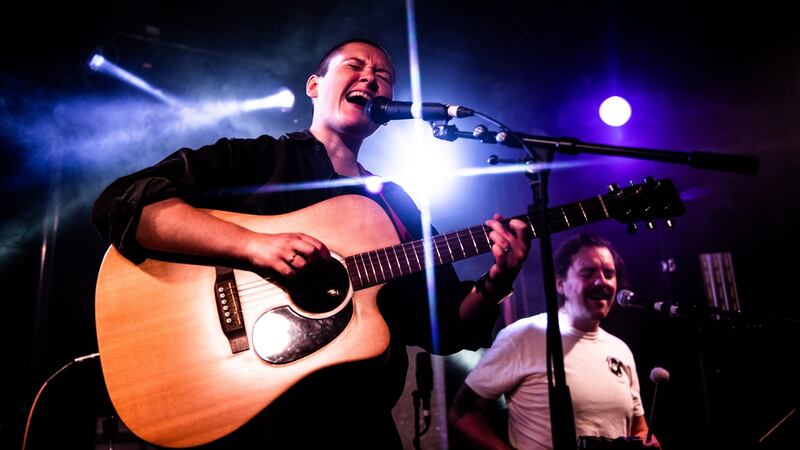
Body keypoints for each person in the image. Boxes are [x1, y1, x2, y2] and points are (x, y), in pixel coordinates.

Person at [92, 38, 532, 448]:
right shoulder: (258, 160)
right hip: (254, 424)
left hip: (359, 427)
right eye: (354, 66)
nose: (371, 78)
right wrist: (251, 246)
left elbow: (442, 327)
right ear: (314, 86)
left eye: (383, 76)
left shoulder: (397, 203)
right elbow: (127, 204)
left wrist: (497, 281)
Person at [448, 233, 661, 449]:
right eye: (588, 273)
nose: (601, 281)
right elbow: (462, 411)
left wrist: (647, 440)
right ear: (560, 284)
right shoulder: (524, 335)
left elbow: (638, 429)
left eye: (609, 273)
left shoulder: (619, 349)